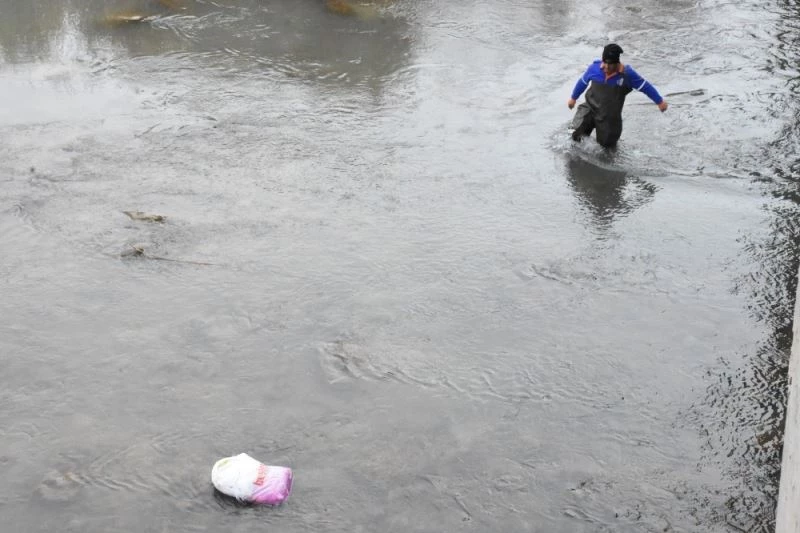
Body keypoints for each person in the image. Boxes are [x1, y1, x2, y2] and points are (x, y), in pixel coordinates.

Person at [568, 44, 668, 148]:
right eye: (605, 62)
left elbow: (645, 86)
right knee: (574, 134)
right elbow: (582, 82)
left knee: (606, 150)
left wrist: (659, 101)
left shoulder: (628, 75)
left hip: (609, 118)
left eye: (610, 64)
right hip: (590, 108)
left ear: (617, 62)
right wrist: (573, 98)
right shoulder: (594, 68)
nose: (606, 67)